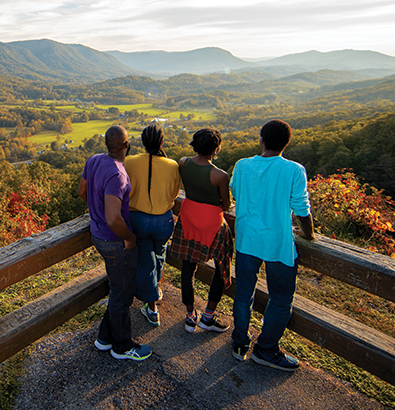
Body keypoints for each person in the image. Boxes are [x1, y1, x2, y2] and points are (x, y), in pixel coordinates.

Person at [230, 119, 315, 371]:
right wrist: (309, 234)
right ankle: (266, 350)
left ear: (261, 139)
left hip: (246, 239)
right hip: (278, 243)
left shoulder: (243, 165)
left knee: (244, 292)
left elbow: (235, 191)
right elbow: (301, 207)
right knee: (280, 299)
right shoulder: (294, 170)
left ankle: (239, 343)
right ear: (286, 143)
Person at [78, 125, 152, 361]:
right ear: (127, 145)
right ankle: (122, 347)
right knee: (122, 294)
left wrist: (95, 210)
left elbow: (82, 191)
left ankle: (104, 338)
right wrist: (129, 238)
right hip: (115, 242)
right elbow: (113, 217)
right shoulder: (118, 174)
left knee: (118, 290)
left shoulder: (94, 161)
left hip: (97, 235)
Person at [170, 128, 235, 335]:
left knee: (188, 269)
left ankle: (190, 317)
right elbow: (225, 205)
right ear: (216, 149)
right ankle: (208, 316)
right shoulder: (220, 175)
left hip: (188, 219)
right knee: (221, 266)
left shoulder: (183, 162)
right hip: (211, 224)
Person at [124, 124, 181, 327]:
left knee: (146, 262)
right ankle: (154, 291)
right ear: (162, 142)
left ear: (142, 141)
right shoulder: (173, 165)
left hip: (138, 219)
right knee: (159, 254)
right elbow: (174, 194)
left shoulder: (129, 162)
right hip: (164, 220)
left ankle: (152, 307)